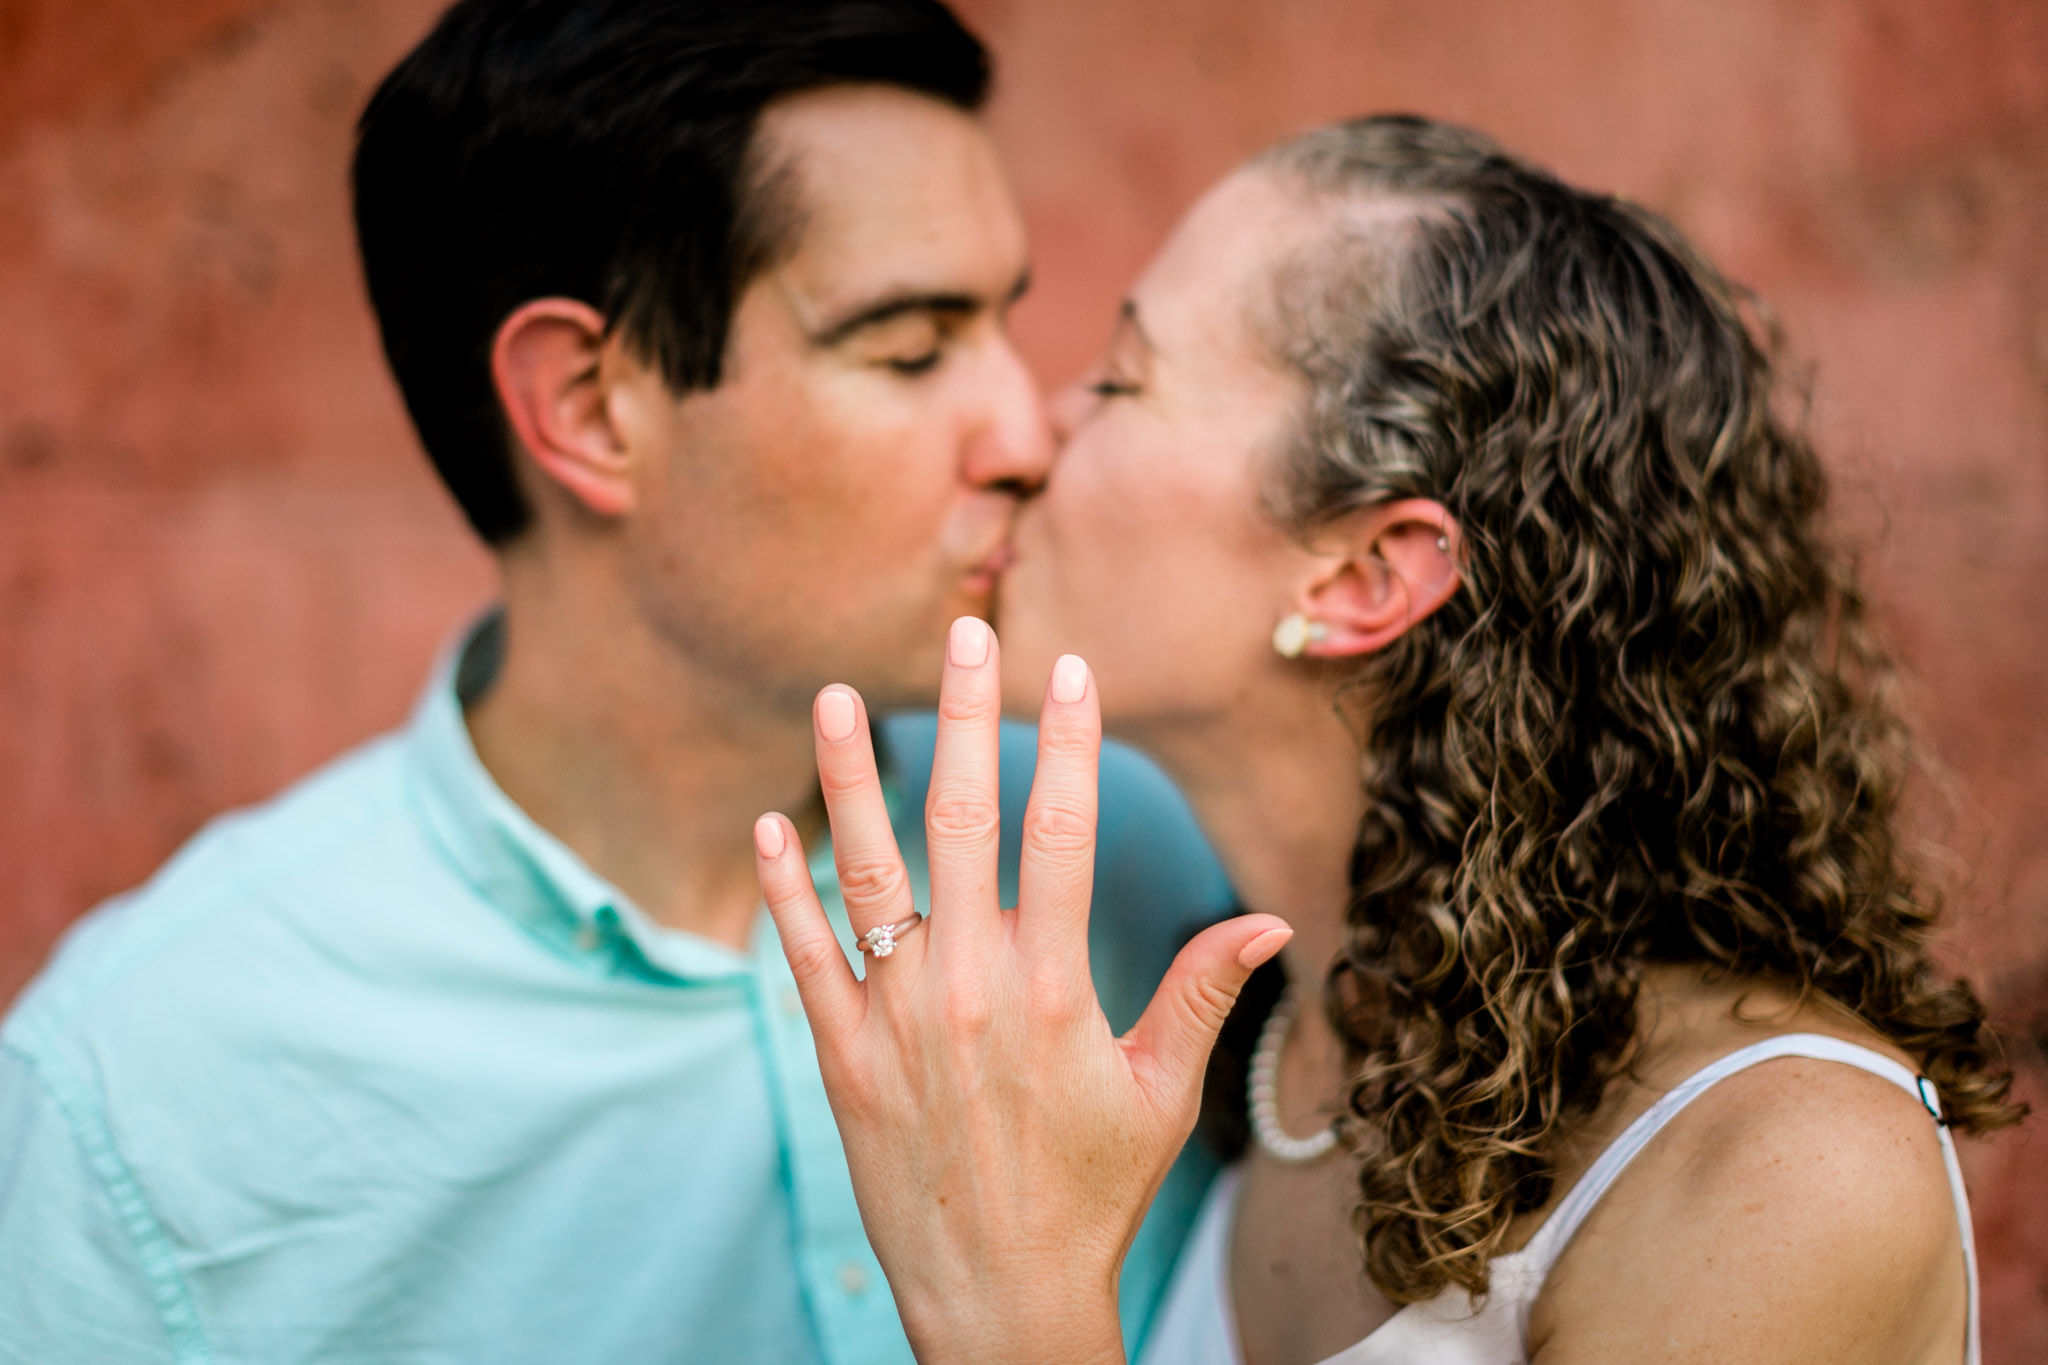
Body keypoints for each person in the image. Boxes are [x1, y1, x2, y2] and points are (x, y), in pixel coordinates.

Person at [0, 2, 1233, 1361]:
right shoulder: (147, 1094)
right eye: (910, 347)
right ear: (588, 406)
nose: (1022, 429)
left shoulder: (1153, 852)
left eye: (1002, 324)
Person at [754, 115, 2023, 1365]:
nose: (1035, 434)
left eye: (1121, 379)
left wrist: (1009, 1300)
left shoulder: (1776, 1167)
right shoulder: (1272, 1039)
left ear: (1361, 575)